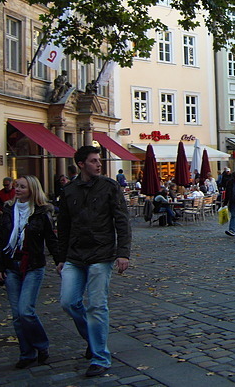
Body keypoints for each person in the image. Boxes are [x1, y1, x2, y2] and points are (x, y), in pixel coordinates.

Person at [57, 145, 131, 378]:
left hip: (101, 254)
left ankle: (100, 357)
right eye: (93, 161)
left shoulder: (109, 187)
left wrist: (123, 253)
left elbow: (122, 221)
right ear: (81, 164)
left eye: (99, 160)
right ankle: (92, 337)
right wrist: (60, 257)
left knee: (97, 306)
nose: (99, 164)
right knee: (68, 302)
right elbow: (63, 226)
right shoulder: (69, 191)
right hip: (75, 255)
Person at [0, 175, 60, 369]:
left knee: (26, 311)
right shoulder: (8, 210)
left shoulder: (41, 212)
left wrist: (59, 261)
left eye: (22, 186)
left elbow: (51, 240)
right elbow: (2, 241)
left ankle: (41, 345)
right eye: (17, 186)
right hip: (11, 265)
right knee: (17, 315)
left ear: (32, 189)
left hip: (33, 265)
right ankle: (27, 353)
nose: (18, 189)